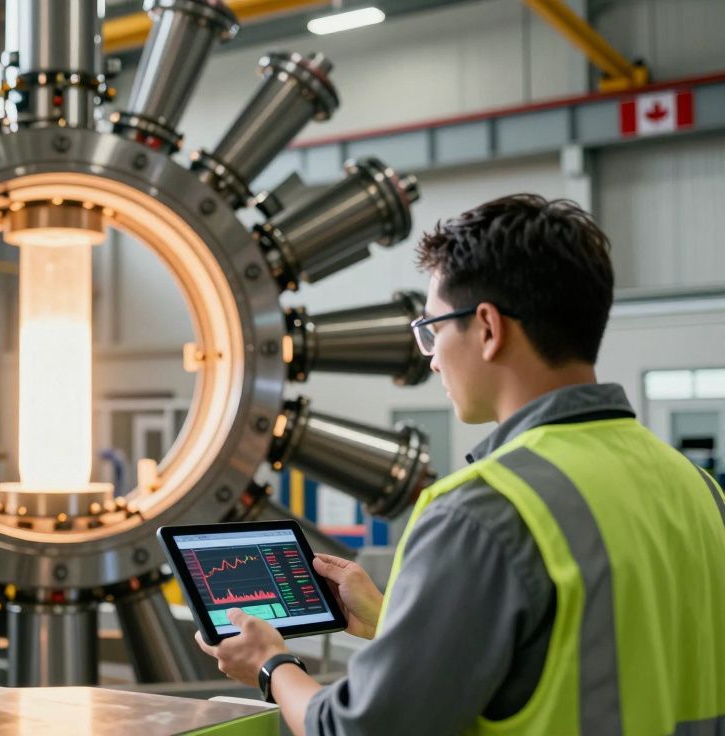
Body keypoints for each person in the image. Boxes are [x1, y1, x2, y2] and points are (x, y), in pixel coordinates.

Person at [196, 194, 725, 735]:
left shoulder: (483, 510)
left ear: (489, 328)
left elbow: (359, 730)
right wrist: (390, 621)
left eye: (433, 328)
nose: (429, 353)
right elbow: (600, 649)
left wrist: (270, 664)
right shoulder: (699, 490)